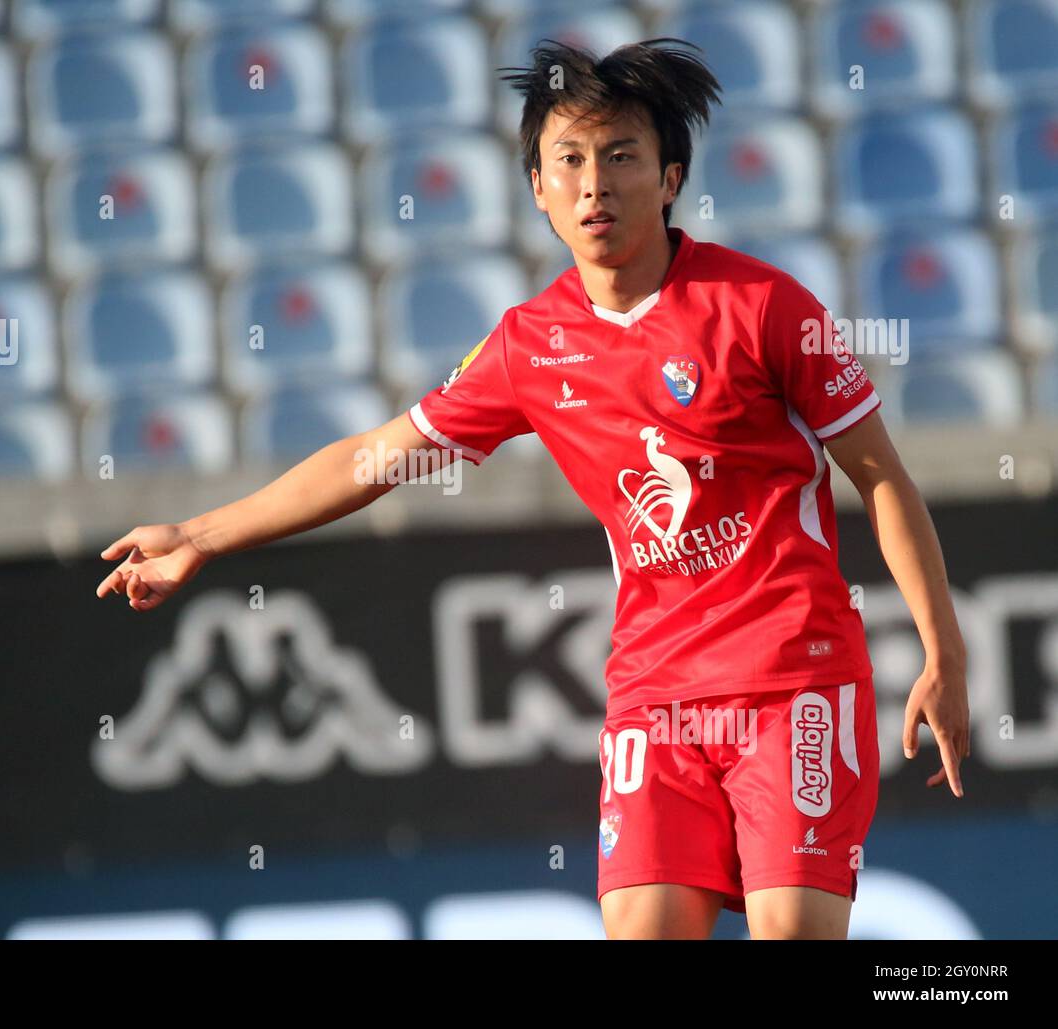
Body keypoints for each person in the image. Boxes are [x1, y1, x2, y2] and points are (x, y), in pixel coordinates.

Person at [95, 39, 970, 940]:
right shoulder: (529, 345)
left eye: (623, 156)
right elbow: (374, 458)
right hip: (654, 695)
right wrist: (201, 535)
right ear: (539, 190)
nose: (595, 183)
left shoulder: (764, 306)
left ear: (671, 178)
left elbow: (880, 477)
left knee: (791, 929)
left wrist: (944, 653)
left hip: (793, 682)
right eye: (571, 160)